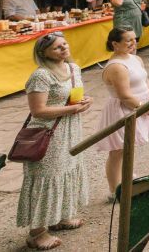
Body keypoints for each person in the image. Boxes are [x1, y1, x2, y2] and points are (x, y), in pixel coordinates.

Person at [17, 31, 92, 251]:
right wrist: (73, 109)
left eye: (65, 44)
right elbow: (38, 110)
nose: (64, 48)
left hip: (70, 129)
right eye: (57, 47)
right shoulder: (41, 75)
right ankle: (37, 232)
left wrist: (85, 101)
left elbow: (73, 96)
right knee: (46, 177)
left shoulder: (73, 68)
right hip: (47, 133)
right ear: (44, 53)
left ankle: (60, 216)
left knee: (68, 169)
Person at [97, 27, 149, 200]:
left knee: (128, 147)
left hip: (140, 106)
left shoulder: (136, 58)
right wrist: (142, 107)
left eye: (134, 39)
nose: (133, 43)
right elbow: (124, 95)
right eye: (128, 40)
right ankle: (114, 189)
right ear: (115, 44)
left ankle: (127, 177)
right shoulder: (116, 67)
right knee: (117, 150)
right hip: (125, 109)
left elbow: (146, 80)